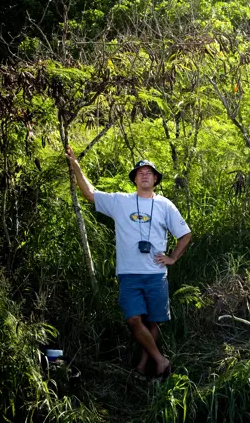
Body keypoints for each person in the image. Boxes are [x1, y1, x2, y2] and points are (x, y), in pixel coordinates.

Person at [66, 147, 192, 380]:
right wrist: (76, 166)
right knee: (134, 319)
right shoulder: (120, 202)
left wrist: (173, 257)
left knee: (153, 322)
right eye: (140, 172)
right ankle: (161, 360)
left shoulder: (165, 205)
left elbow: (185, 235)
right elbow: (90, 193)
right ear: (134, 178)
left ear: (155, 179)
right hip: (128, 273)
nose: (144, 175)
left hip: (156, 273)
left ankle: (144, 368)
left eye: (149, 172)